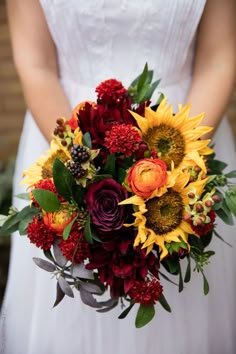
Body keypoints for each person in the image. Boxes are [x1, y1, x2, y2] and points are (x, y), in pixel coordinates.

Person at [0, 0, 236, 353]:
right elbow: (37, 64)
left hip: (186, 138)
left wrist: (180, 166)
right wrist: (83, 173)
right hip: (64, 133)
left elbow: (218, 59)